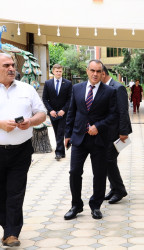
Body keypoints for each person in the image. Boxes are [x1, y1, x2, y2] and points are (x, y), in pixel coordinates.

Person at [0, 53, 47, 247]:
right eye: (6, 65)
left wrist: (30, 122)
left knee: (15, 191)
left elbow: (42, 113)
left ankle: (11, 232)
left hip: (21, 150)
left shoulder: (27, 89)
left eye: (13, 65)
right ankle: (6, 226)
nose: (12, 68)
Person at [64, 60, 117, 220]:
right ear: (87, 71)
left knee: (99, 174)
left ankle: (96, 206)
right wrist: (67, 134)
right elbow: (71, 112)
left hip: (99, 140)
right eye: (92, 70)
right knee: (74, 172)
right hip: (78, 137)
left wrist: (98, 126)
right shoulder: (77, 88)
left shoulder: (109, 92)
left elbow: (114, 115)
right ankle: (76, 206)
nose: (95, 74)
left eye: (98, 71)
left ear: (102, 73)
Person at [101, 66, 132, 204]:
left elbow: (123, 110)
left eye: (96, 72)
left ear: (103, 74)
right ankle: (114, 188)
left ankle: (119, 190)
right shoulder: (101, 87)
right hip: (105, 131)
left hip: (116, 132)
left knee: (108, 160)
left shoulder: (117, 87)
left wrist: (123, 131)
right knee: (108, 161)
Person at [42, 64, 72, 160]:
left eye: (60, 71)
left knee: (60, 132)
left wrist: (64, 110)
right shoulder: (48, 83)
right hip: (53, 113)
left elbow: (70, 99)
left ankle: (58, 153)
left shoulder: (68, 83)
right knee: (56, 132)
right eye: (57, 71)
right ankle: (62, 152)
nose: (58, 73)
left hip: (63, 113)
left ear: (62, 71)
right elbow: (45, 98)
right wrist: (50, 110)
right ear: (53, 72)